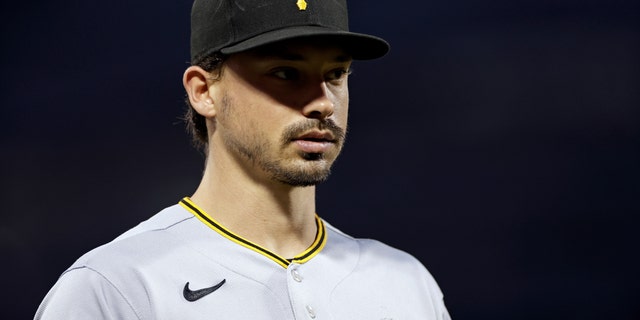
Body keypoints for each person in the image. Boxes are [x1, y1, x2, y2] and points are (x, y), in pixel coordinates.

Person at [35, 0, 451, 319]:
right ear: (204, 91)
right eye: (286, 72)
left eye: (335, 75)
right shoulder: (116, 286)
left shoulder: (405, 283)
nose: (323, 103)